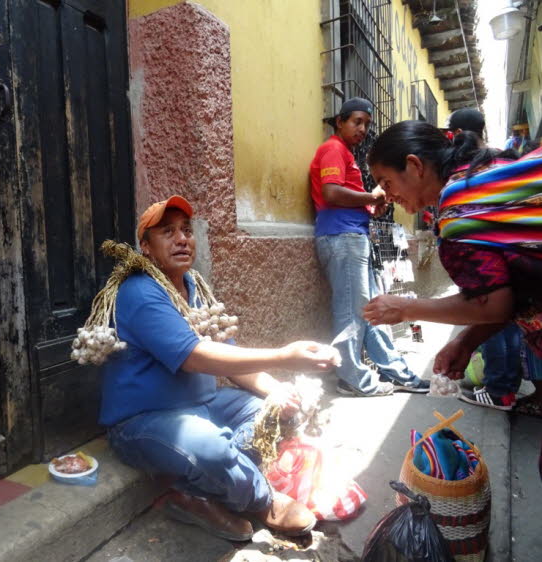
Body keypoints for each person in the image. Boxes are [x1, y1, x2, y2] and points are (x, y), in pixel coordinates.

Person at [100, 196, 341, 540]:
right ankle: (263, 501)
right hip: (142, 422)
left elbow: (228, 359)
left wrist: (276, 390)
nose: (182, 238)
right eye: (167, 232)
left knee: (273, 412)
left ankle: (193, 495)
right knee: (211, 447)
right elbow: (195, 356)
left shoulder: (194, 287)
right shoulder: (139, 291)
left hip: (201, 407)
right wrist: (284, 356)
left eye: (186, 230)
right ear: (146, 247)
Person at [362, 121, 542, 418]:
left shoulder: (457, 209)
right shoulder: (489, 168)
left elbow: (492, 305)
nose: (387, 196)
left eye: (387, 182)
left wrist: (405, 308)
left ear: (414, 165)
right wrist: (466, 341)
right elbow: (507, 294)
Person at [310, 98, 427, 397]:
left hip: (354, 235)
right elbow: (331, 192)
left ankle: (395, 371)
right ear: (340, 121)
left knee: (372, 310)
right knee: (353, 310)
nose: (362, 129)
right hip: (341, 236)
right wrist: (372, 198)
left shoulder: (345, 153)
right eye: (357, 121)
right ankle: (351, 378)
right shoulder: (333, 149)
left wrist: (369, 202)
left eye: (367, 124)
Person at [446, 109, 524, 410]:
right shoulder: (506, 158)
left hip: (490, 259)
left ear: (454, 134)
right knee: (509, 321)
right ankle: (506, 386)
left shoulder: (462, 170)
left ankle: (497, 388)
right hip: (518, 257)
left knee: (488, 311)